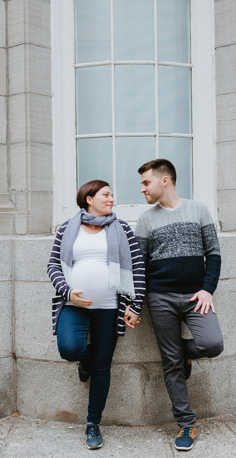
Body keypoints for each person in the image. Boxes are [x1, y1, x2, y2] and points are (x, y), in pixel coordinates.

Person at [47, 180, 145, 450]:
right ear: (89, 198)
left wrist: (135, 305)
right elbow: (53, 264)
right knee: (70, 349)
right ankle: (84, 361)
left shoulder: (121, 228)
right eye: (106, 194)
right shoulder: (68, 228)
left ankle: (93, 423)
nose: (112, 198)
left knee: (103, 366)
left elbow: (137, 267)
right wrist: (67, 292)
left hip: (110, 310)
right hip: (75, 306)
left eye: (112, 194)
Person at [135, 159, 224, 452]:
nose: (142, 189)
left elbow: (213, 254)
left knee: (212, 344)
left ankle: (183, 354)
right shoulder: (146, 219)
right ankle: (186, 423)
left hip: (195, 297)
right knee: (170, 363)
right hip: (160, 298)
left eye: (146, 182)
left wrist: (207, 290)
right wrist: (138, 303)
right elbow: (140, 266)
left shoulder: (198, 210)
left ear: (165, 180)